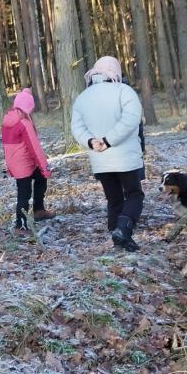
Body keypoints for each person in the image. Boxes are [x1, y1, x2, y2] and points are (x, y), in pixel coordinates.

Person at [70, 56, 145, 252]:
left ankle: (115, 233)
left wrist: (90, 141)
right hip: (125, 157)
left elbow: (77, 127)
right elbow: (131, 120)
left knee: (113, 198)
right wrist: (108, 140)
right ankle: (123, 229)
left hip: (100, 159)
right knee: (134, 194)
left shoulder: (83, 97)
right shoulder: (124, 91)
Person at [1, 88, 53, 231]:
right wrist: (45, 167)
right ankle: (20, 226)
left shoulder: (7, 119)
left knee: (40, 177)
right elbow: (35, 148)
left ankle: (39, 210)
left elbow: (5, 146)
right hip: (23, 165)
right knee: (24, 195)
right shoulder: (24, 123)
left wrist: (9, 165)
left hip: (18, 162)